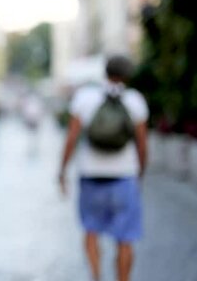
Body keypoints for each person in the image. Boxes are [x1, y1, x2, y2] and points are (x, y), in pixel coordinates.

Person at [58, 55, 148, 281]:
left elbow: (72, 137)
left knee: (90, 231)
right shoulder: (135, 100)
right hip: (124, 177)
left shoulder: (85, 97)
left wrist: (62, 171)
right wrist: (140, 173)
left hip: (91, 175)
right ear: (127, 75)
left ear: (105, 73)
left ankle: (96, 276)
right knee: (126, 239)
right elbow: (142, 143)